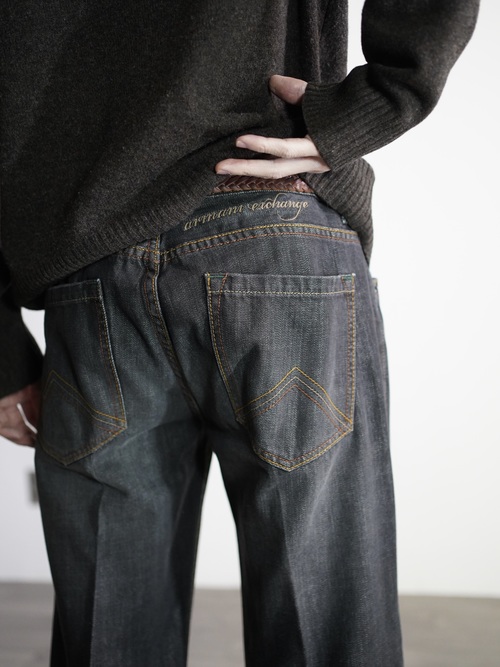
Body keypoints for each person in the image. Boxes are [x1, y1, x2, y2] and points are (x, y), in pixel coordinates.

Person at [0, 2, 479, 665]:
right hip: (273, 231)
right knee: (325, 622)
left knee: (110, 626)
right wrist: (383, 99)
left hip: (93, 269)